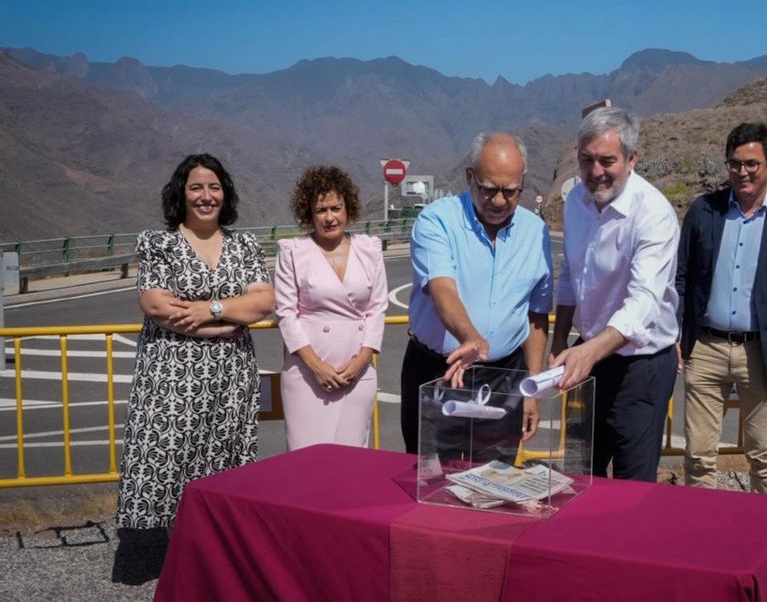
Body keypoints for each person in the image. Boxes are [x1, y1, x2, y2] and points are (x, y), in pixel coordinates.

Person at [116, 154, 275, 529]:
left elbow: (264, 302)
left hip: (231, 376)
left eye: (214, 187)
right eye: (196, 187)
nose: (206, 196)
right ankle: (182, 553)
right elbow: (156, 305)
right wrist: (226, 321)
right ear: (181, 194)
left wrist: (209, 309)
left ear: (226, 194)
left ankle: (216, 545)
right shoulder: (159, 243)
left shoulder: (245, 245)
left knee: (225, 458)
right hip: (172, 376)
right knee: (173, 458)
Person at [675, 122, 767, 494]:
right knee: (699, 454)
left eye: (752, 163)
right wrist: (676, 332)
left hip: (762, 353)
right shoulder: (704, 211)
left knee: (763, 454)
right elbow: (681, 278)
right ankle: (701, 534)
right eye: (735, 164)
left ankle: (764, 539)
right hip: (705, 348)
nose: (743, 172)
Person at [400, 132, 549, 460]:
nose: (498, 201)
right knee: (433, 482)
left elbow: (537, 314)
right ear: (470, 177)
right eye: (487, 189)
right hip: (439, 373)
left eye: (510, 191)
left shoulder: (535, 232)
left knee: (496, 479)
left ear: (522, 183)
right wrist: (471, 338)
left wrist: (532, 389)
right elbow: (442, 288)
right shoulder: (437, 220)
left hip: (505, 377)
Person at [550, 106, 680, 482]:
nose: (595, 172)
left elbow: (642, 305)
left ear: (632, 158)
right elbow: (570, 275)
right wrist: (560, 340)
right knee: (578, 471)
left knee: (632, 482)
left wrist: (588, 353)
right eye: (586, 160)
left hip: (639, 366)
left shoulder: (653, 213)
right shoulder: (575, 203)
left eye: (607, 160)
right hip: (587, 352)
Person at [274, 166, 388, 450]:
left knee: (351, 460)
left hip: (358, 371)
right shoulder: (292, 251)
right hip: (306, 373)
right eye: (320, 210)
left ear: (348, 207)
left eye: (335, 208)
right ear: (309, 214)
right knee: (306, 461)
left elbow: (377, 308)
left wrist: (363, 360)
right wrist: (317, 367)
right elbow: (286, 314)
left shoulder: (369, 248)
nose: (329, 217)